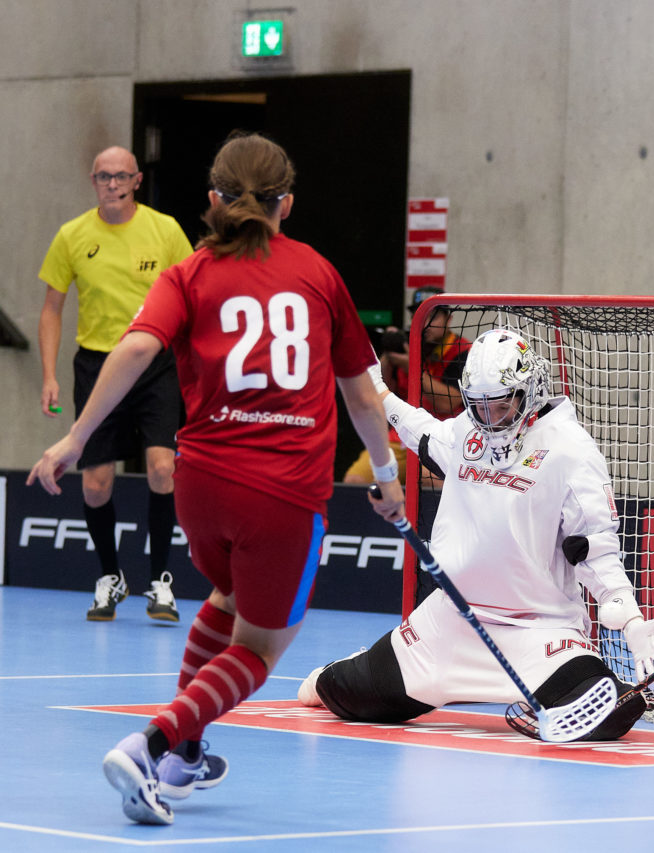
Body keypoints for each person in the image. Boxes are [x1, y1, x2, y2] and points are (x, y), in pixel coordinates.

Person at [28, 132, 405, 826]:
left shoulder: (189, 273)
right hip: (282, 492)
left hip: (201, 485)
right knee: (262, 647)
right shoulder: (319, 273)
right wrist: (386, 477)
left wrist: (77, 436)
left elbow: (137, 346)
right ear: (287, 202)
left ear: (212, 200)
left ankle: (186, 753)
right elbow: (360, 393)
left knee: (229, 596)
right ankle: (150, 744)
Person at [298, 328, 654, 741]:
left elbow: (593, 548)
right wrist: (374, 388)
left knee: (616, 712)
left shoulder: (572, 451)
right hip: (449, 624)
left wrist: (630, 619)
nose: (488, 418)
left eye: (500, 406)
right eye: (477, 406)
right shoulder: (467, 433)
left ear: (529, 389)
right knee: (323, 692)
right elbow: (417, 426)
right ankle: (366, 664)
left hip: (539, 632)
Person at [37, 145, 194, 622]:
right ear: (93, 181)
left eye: (121, 176)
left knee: (162, 468)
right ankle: (111, 577)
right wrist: (48, 375)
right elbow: (51, 309)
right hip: (97, 367)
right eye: (104, 176)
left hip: (155, 363)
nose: (112, 184)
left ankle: (160, 582)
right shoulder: (72, 236)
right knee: (97, 482)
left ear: (137, 180)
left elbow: (194, 293)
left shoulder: (164, 230)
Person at [342, 288, 469, 488]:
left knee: (431, 480)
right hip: (401, 435)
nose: (426, 323)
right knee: (355, 480)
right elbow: (382, 391)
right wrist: (388, 356)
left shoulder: (463, 351)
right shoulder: (406, 344)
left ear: (449, 319)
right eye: (420, 314)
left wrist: (411, 366)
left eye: (434, 316)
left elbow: (448, 403)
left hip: (441, 438)